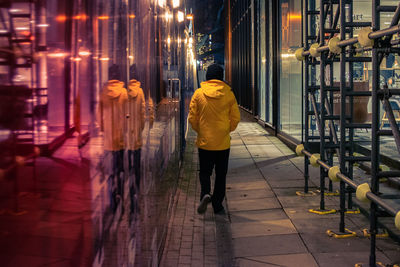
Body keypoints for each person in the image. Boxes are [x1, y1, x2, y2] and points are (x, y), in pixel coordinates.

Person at [188, 64, 240, 214]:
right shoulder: (229, 94)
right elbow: (236, 118)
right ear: (221, 77)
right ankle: (218, 205)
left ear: (208, 76)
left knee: (205, 172)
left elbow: (192, 118)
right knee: (221, 174)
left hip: (205, 142)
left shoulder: (198, 93)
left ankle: (205, 193)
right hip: (223, 143)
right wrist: (226, 129)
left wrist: (201, 131)